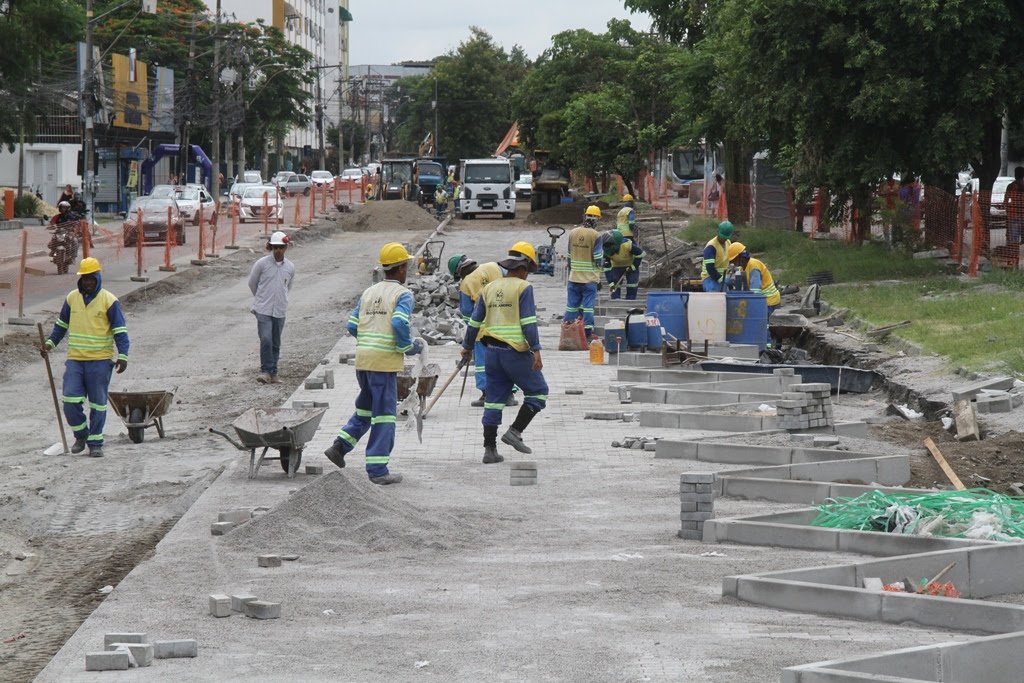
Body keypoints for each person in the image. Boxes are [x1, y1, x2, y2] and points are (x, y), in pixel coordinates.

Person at [324, 243, 423, 485]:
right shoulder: (403, 294)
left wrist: (369, 342)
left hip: (363, 361)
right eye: (406, 266)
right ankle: (378, 469)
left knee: (366, 408)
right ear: (401, 269)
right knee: (385, 416)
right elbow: (400, 324)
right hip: (383, 364)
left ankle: (340, 446)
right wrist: (407, 347)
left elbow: (351, 325)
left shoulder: (369, 292)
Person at [461, 242, 547, 464]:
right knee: (538, 392)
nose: (527, 275)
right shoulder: (523, 288)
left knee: (494, 400)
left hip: (492, 353)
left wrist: (467, 346)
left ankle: (490, 450)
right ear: (523, 267)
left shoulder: (489, 288)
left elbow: (474, 321)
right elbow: (528, 322)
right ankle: (515, 432)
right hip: (515, 353)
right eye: (527, 271)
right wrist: (536, 350)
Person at [40, 257, 129, 457]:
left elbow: (120, 331)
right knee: (70, 400)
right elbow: (61, 325)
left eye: (91, 279)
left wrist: (123, 355)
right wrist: (50, 344)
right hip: (76, 360)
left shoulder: (109, 301)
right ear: (80, 279)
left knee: (98, 403)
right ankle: (81, 434)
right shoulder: (72, 298)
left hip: (100, 361)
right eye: (84, 279)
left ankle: (95, 443)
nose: (88, 282)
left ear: (98, 278)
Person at [449, 254, 506, 407]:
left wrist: (469, 341)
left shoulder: (466, 283)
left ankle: (487, 393)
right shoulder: (493, 266)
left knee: (482, 363)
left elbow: (468, 313)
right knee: (505, 361)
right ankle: (509, 394)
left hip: (482, 331)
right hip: (504, 325)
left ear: (459, 272)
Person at [248, 231, 295, 384]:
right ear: (271, 248)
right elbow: (252, 283)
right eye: (275, 247)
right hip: (263, 308)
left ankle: (273, 372)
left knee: (276, 342)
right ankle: (265, 371)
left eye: (281, 247)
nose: (278, 250)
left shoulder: (290, 267)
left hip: (279, 310)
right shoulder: (261, 264)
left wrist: (282, 300)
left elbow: (288, 287)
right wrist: (261, 299)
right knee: (266, 339)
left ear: (285, 248)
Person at [564, 205, 604, 339]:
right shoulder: (595, 235)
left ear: (585, 216)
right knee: (587, 307)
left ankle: (567, 330)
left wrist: (573, 271)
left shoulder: (573, 233)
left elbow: (569, 256)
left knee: (571, 307)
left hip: (573, 278)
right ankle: (587, 333)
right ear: (597, 219)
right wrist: (599, 277)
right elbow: (598, 259)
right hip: (589, 280)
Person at [727, 242, 781, 314]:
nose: (734, 264)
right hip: (764, 300)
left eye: (734, 261)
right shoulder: (744, 266)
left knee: (762, 324)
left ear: (740, 257)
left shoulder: (753, 266)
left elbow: (755, 291)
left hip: (769, 301)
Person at [604, 230, 644, 300]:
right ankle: (616, 299)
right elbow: (607, 268)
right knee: (615, 283)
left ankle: (630, 299)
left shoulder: (627, 245)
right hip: (616, 267)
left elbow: (641, 253)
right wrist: (611, 283)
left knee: (632, 283)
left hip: (630, 265)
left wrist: (633, 266)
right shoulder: (605, 251)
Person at [701, 221, 733, 292]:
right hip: (709, 278)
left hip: (723, 277)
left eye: (725, 237)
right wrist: (721, 279)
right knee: (714, 296)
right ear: (717, 232)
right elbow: (710, 268)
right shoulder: (711, 246)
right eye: (722, 237)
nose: (723, 239)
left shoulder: (728, 243)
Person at [1004, 166, 1024, 245]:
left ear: (1015, 175)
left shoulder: (1010, 186)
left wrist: (1008, 211)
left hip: (1013, 214)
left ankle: (1014, 254)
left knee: (1013, 239)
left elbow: (1005, 201)